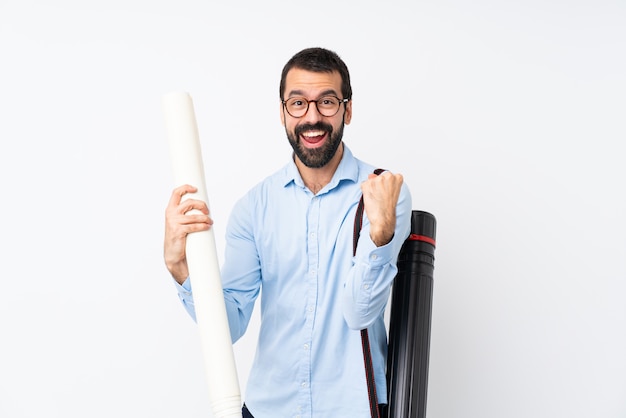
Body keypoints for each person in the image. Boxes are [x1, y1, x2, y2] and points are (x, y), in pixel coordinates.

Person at [164, 47, 412, 418]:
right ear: (282, 112)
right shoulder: (254, 207)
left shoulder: (383, 193)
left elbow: (359, 313)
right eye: (298, 103)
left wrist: (379, 233)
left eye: (326, 101)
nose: (312, 117)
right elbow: (228, 325)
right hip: (268, 409)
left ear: (348, 109)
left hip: (352, 409)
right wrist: (182, 268)